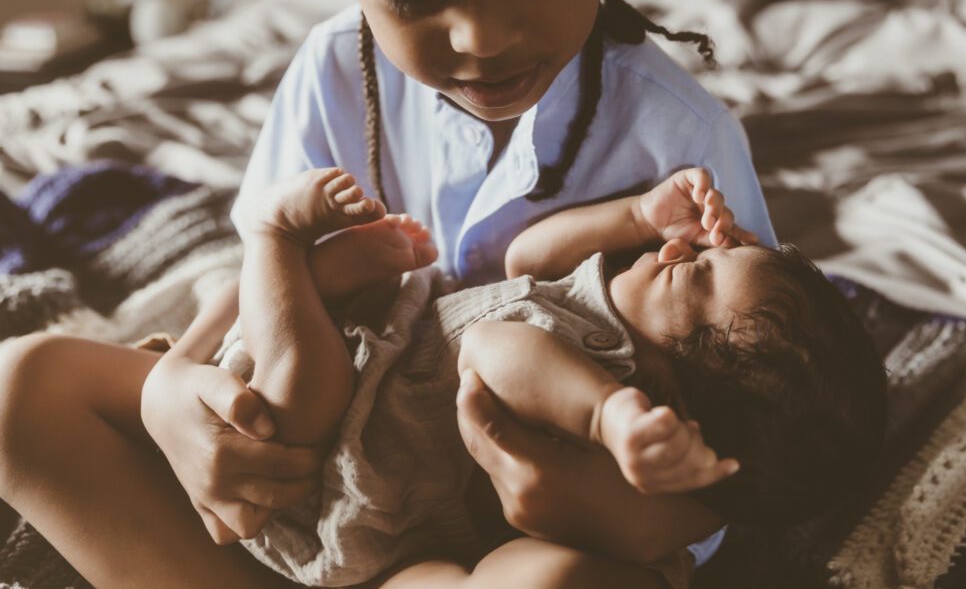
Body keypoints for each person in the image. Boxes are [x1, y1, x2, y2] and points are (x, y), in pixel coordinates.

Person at [0, 0, 784, 587]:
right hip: (323, 473)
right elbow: (264, 270)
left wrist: (616, 514)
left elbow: (758, 428)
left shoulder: (683, 142)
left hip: (489, 545)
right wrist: (171, 387)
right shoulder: (332, 72)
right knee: (20, 389)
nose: (483, 36)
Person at [221, 164, 885, 588]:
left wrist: (606, 411)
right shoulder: (599, 306)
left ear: (676, 384)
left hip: (358, 511)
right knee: (314, 375)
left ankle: (271, 236)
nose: (678, 245)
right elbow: (524, 256)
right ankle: (273, 245)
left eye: (697, 272)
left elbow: (492, 347)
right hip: (345, 417)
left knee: (317, 393)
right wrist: (636, 215)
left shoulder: (609, 382)